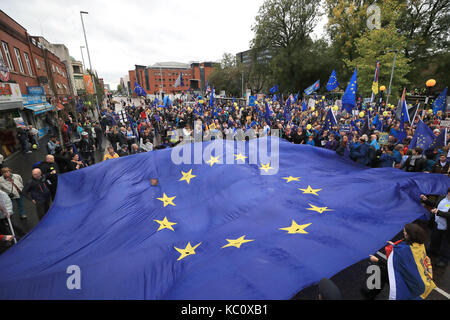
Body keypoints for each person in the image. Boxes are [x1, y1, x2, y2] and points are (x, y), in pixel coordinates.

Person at [364, 223, 432, 300]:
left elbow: (393, 266)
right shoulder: (419, 244)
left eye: (405, 231)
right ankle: (371, 294)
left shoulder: (403, 251)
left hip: (403, 278)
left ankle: (370, 295)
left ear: (408, 235)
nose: (403, 232)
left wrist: (376, 260)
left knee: (382, 275)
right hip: (415, 280)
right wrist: (395, 245)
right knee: (381, 276)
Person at [421, 189, 450, 267]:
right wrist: (426, 200)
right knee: (435, 238)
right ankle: (433, 251)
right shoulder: (442, 197)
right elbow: (435, 204)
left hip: (447, 228)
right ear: (448, 193)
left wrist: (438, 212)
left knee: (446, 244)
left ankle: (444, 260)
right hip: (438, 224)